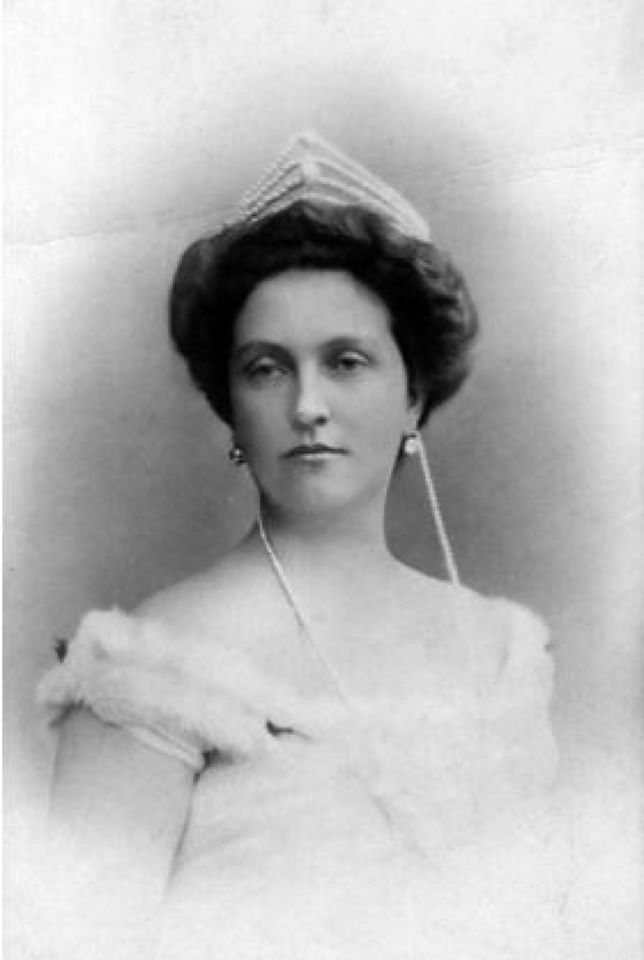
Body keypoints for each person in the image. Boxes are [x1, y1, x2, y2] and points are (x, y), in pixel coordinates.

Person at [37, 132, 564, 960]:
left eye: (346, 362)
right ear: (231, 406)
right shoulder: (148, 670)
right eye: (267, 368)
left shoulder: (501, 651)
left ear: (414, 395)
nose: (308, 404)